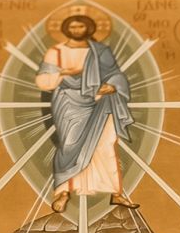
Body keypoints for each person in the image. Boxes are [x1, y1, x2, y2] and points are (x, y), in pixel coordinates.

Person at [35, 11, 136, 215]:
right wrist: (64, 73)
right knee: (69, 144)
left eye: (80, 26)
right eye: (73, 27)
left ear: (88, 28)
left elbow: (115, 74)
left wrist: (113, 86)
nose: (76, 30)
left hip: (101, 101)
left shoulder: (100, 51)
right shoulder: (57, 52)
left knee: (105, 145)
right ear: (66, 29)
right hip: (69, 102)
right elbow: (43, 81)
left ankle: (115, 193)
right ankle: (63, 191)